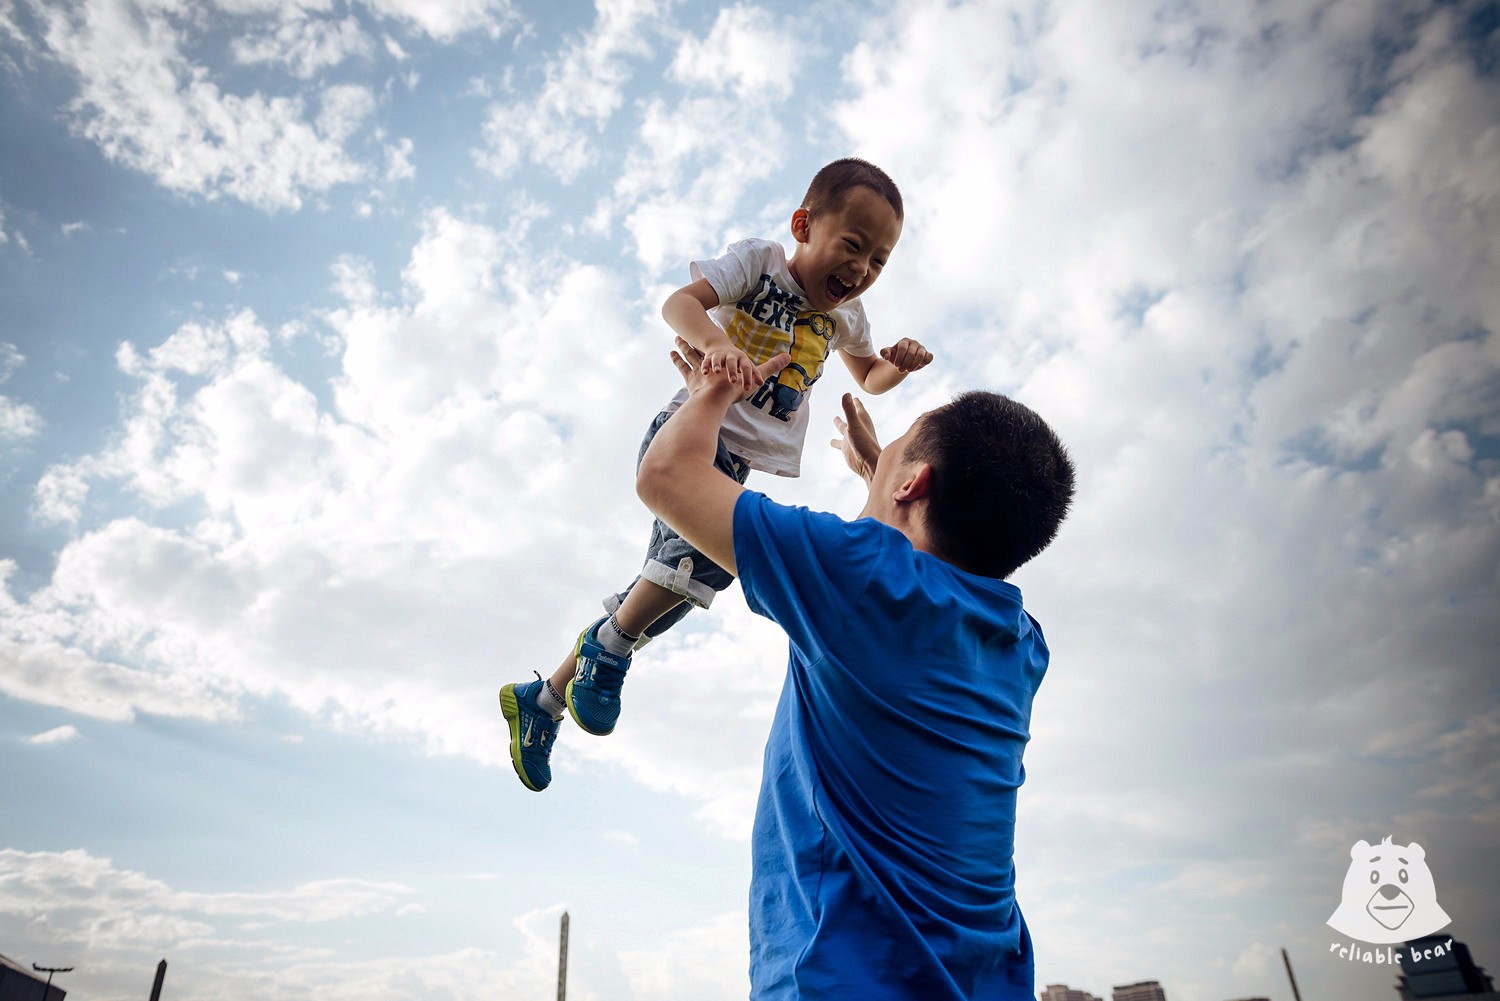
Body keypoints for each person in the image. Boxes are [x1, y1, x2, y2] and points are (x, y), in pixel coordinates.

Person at [642, 339, 1073, 999]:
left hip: (843, 980)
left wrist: (713, 391)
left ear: (912, 484)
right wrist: (886, 477)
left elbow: (667, 474)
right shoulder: (1022, 644)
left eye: (902, 442)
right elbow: (910, 576)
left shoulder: (860, 576)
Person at [501, 158, 934, 791]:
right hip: (691, 435)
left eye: (878, 260)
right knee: (698, 570)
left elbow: (869, 376)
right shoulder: (760, 264)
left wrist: (898, 364)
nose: (862, 268)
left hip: (736, 464)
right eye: (852, 245)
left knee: (671, 595)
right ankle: (607, 649)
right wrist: (716, 344)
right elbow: (679, 304)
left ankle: (543, 700)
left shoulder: (847, 319)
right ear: (803, 226)